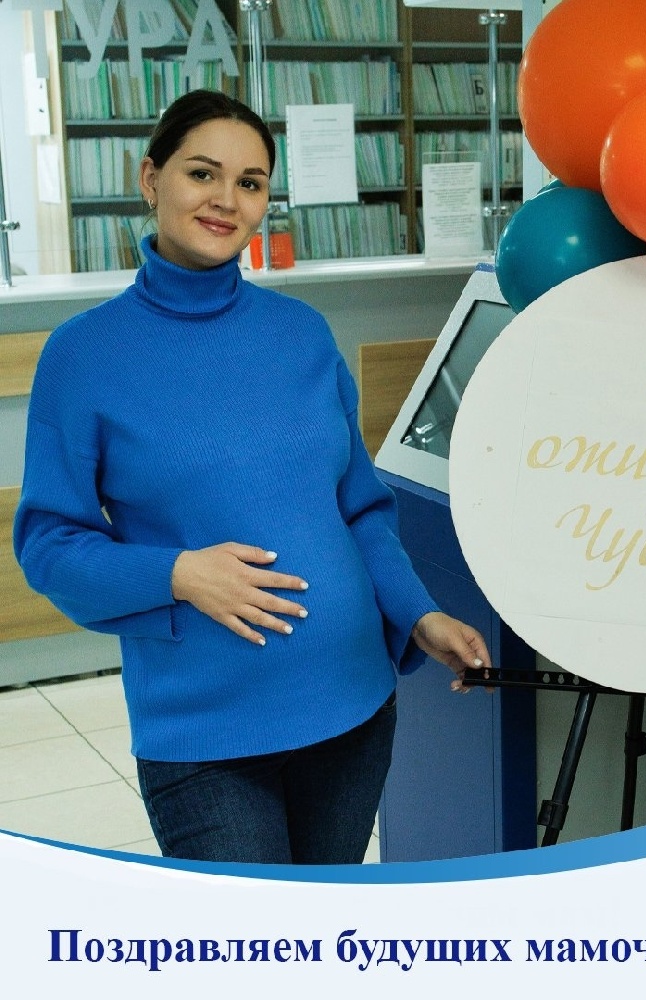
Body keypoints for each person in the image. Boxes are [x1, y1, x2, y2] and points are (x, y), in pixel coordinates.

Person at [13, 89, 491, 865]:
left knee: (324, 927)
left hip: (352, 701)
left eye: (251, 182)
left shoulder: (301, 333)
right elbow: (49, 544)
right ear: (151, 179)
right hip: (205, 732)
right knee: (250, 932)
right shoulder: (84, 354)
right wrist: (178, 573)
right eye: (202, 173)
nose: (226, 200)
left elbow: (360, 510)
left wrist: (416, 613)